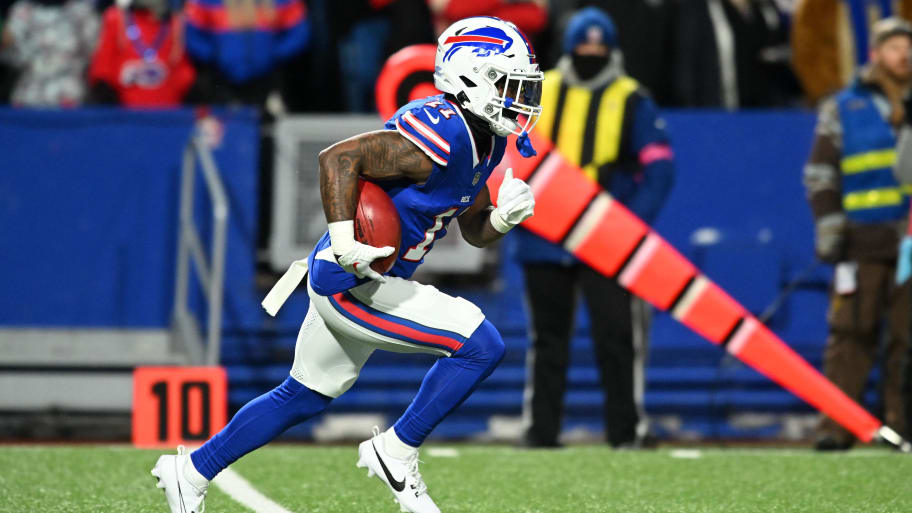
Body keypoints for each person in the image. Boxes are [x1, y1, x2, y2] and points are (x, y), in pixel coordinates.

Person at [151, 16, 543, 513]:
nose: (519, 99)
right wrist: (342, 241)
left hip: (372, 278)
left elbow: (472, 226)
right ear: (471, 78)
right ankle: (395, 451)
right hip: (353, 280)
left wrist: (503, 220)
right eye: (510, 85)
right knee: (481, 345)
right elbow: (337, 159)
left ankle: (189, 472)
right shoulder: (442, 132)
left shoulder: (485, 139)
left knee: (304, 393)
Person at [513, 7, 673, 449]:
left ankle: (626, 431)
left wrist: (627, 224)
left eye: (599, 47)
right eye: (584, 46)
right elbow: (509, 158)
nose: (591, 53)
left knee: (617, 338)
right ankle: (541, 432)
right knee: (548, 341)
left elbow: (659, 168)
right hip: (544, 236)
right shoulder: (539, 91)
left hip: (606, 239)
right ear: (569, 48)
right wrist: (519, 212)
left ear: (612, 50)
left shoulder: (630, 96)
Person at [802, 17, 912, 451]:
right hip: (861, 237)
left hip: (911, 240)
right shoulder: (844, 107)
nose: (903, 54)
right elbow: (820, 172)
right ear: (875, 54)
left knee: (908, 337)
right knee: (851, 334)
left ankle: (900, 427)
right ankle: (837, 425)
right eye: (894, 46)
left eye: (909, 46)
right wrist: (830, 227)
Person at [88, 0, 196, 107]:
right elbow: (102, 73)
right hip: (123, 117)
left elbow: (185, 80)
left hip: (167, 116)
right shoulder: (117, 19)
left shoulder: (177, 25)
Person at [1, 0, 98, 107]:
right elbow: (11, 56)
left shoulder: (83, 11)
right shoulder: (22, 10)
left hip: (70, 96)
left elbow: (94, 54)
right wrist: (6, 43)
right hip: (28, 96)